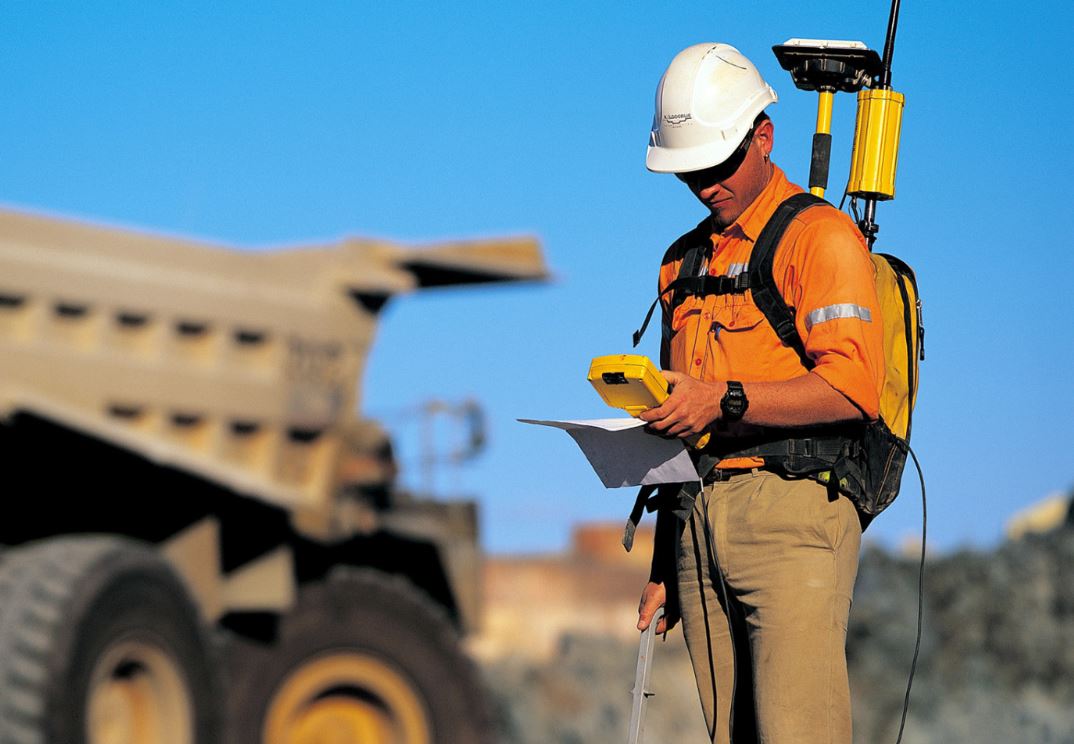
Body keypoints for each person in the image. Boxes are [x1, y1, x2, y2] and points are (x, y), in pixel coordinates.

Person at [633, 43, 885, 744]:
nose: (704, 184)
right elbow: (674, 419)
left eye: (716, 164)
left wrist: (726, 399)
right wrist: (664, 561)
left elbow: (855, 386)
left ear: (764, 138)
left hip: (791, 513)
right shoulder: (679, 263)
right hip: (694, 521)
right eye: (689, 172)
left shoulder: (820, 240)